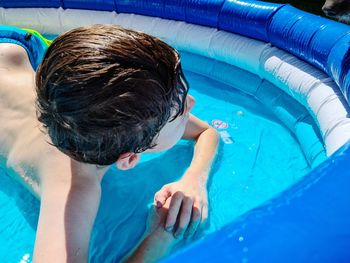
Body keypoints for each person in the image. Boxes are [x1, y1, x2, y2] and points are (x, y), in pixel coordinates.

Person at [0, 24, 219, 262]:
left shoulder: (117, 115)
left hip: (13, 47)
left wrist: (194, 180)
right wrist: (160, 235)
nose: (193, 102)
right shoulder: (74, 188)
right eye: (179, 114)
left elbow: (207, 132)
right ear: (129, 159)